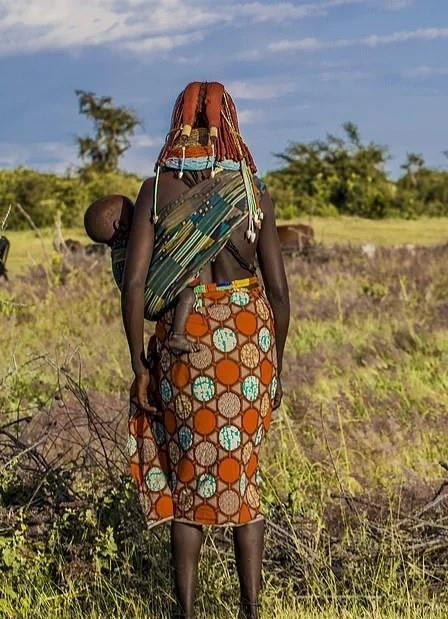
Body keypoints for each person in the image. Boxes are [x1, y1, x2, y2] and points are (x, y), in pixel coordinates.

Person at [122, 81, 290, 619]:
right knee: (245, 476)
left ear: (178, 119)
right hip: (248, 340)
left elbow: (134, 286)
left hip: (185, 339)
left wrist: (139, 366)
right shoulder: (253, 193)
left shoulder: (156, 190)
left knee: (188, 472)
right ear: (232, 120)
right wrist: (276, 367)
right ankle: (250, 609)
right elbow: (280, 292)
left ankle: (187, 612)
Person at [85, 195, 199, 353]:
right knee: (187, 296)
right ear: (120, 225)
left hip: (142, 300)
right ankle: (177, 336)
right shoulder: (131, 246)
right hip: (149, 296)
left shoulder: (117, 252)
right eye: (134, 214)